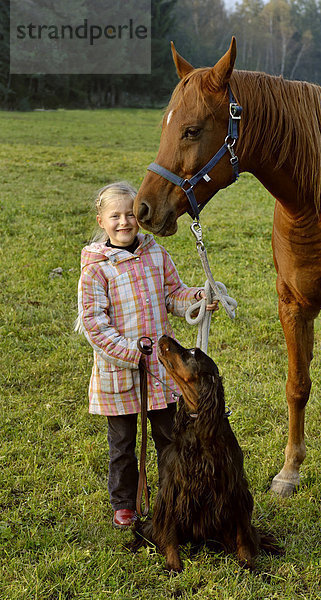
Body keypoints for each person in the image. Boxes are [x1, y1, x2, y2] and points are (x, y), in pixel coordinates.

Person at [77, 181, 218, 528]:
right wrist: (131, 353)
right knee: (123, 444)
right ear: (101, 221)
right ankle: (124, 503)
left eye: (129, 214)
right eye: (114, 216)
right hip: (120, 373)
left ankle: (170, 495)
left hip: (159, 371)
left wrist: (198, 297)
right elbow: (95, 324)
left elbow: (174, 294)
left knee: (168, 437)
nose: (123, 222)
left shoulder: (156, 254)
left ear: (139, 215)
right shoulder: (96, 269)